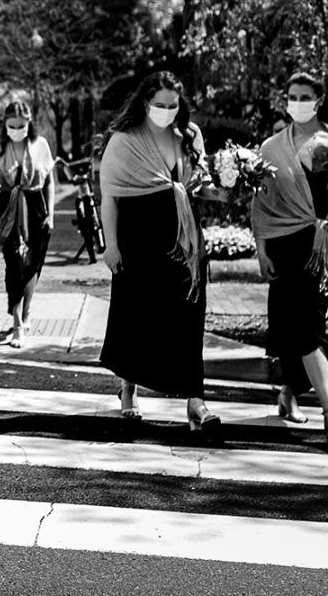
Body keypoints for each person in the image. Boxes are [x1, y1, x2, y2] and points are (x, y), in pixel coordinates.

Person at [98, 71, 221, 434]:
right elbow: (111, 196)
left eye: (173, 105)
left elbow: (199, 186)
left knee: (189, 312)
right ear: (144, 103)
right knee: (135, 313)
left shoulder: (188, 136)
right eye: (159, 105)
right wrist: (112, 245)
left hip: (183, 237)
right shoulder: (124, 139)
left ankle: (195, 401)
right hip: (138, 236)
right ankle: (128, 388)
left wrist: (226, 188)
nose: (166, 111)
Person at [252, 72, 328, 442]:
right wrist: (261, 248)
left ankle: (289, 392)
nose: (297, 102)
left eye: (305, 96)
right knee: (300, 324)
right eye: (292, 95)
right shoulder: (270, 148)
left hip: (325, 244)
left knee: (307, 322)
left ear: (319, 99)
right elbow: (262, 204)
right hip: (284, 244)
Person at [0, 101, 54, 349]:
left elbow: (49, 181)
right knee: (15, 263)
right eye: (12, 125)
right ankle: (16, 324)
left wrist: (51, 214)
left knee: (33, 263)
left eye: (21, 125)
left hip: (35, 204)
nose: (17, 129)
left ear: (29, 123)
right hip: (8, 206)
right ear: (4, 125)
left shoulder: (40, 145)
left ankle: (26, 312)